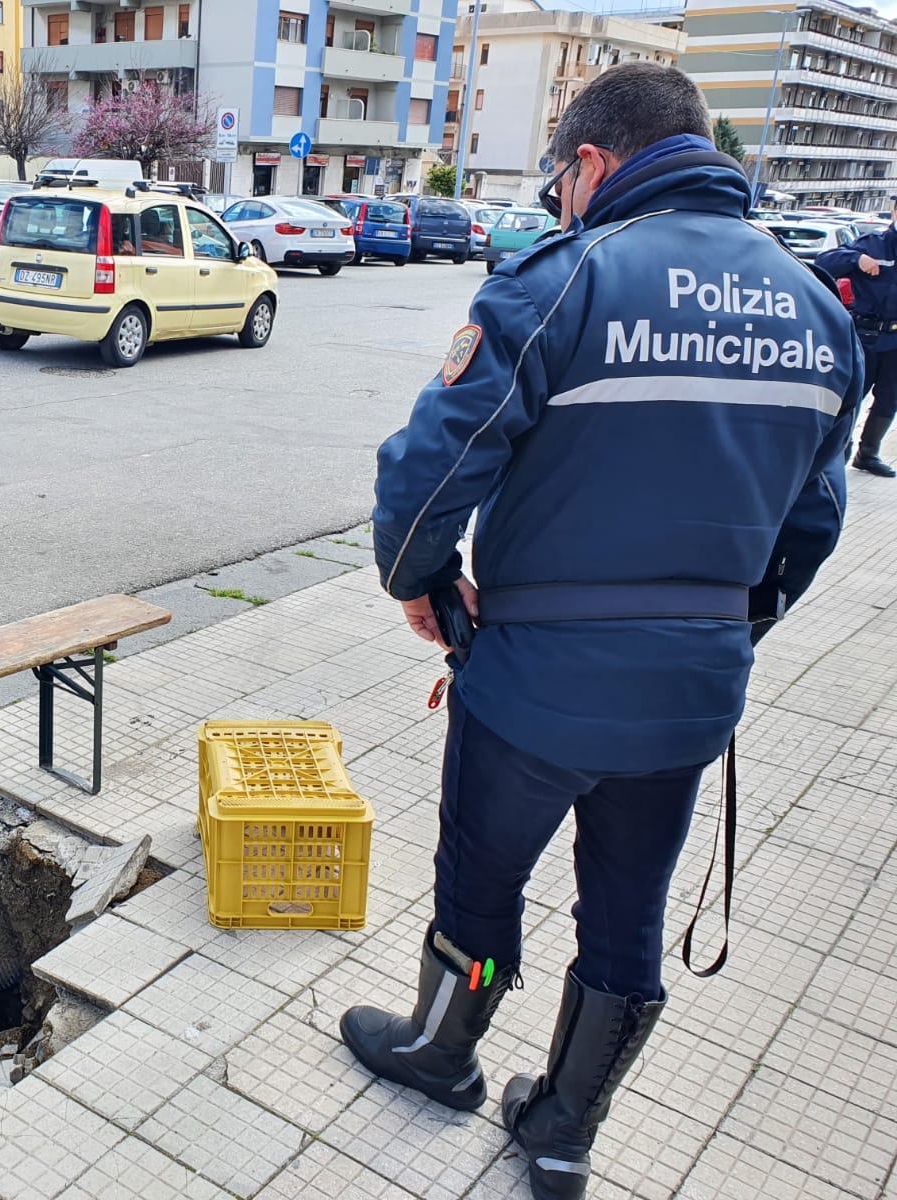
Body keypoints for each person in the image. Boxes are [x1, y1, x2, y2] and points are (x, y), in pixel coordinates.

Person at [341, 63, 861, 1200]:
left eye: (553, 182)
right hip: (686, 701)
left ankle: (442, 1051)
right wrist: (716, 635)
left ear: (590, 164)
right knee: (626, 910)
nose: (553, 205)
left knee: (482, 883)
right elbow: (810, 530)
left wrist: (421, 585)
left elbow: (427, 480)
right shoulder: (820, 316)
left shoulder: (563, 283)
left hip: (530, 682)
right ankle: (566, 1130)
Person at [816, 201, 897, 476]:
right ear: (894, 213)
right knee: (850, 396)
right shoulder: (871, 244)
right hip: (867, 336)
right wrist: (856, 260)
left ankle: (868, 454)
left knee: (889, 398)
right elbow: (824, 263)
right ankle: (837, 450)